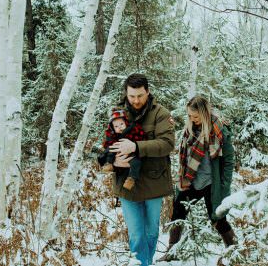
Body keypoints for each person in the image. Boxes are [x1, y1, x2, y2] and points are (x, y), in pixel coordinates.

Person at [158, 96, 236, 262]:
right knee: (177, 213)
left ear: (205, 113)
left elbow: (229, 161)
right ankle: (172, 252)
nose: (193, 120)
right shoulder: (189, 130)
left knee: (218, 218)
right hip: (191, 181)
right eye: (190, 116)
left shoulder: (220, 131)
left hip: (212, 183)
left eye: (196, 117)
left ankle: (234, 252)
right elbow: (185, 157)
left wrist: (224, 185)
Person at [108, 73, 175, 266]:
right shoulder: (117, 114)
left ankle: (146, 262)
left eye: (140, 95)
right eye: (132, 96)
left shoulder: (161, 113)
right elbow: (105, 144)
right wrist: (113, 162)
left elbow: (167, 143)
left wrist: (136, 147)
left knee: (152, 232)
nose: (136, 100)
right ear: (126, 94)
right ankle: (142, 264)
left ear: (148, 92)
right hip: (127, 184)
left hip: (154, 181)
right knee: (137, 234)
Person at [98, 108, 147, 190]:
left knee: (136, 163)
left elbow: (141, 138)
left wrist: (135, 146)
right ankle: (109, 164)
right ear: (113, 128)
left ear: (126, 123)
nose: (119, 127)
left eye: (121, 124)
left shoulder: (133, 130)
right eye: (116, 126)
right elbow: (108, 147)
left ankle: (131, 179)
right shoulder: (113, 135)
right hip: (118, 154)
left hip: (131, 153)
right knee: (111, 151)